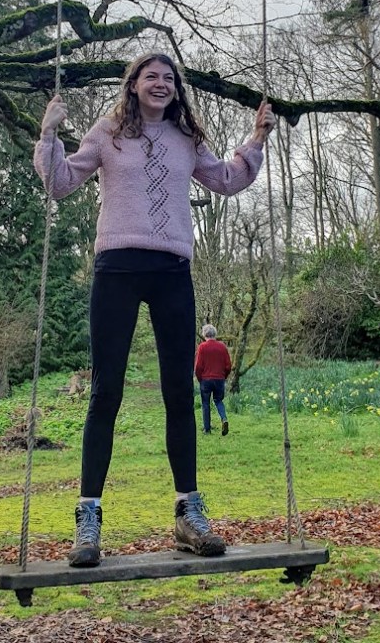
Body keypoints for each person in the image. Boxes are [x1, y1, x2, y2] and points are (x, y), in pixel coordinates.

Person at [34, 52, 276, 568]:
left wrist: (257, 139)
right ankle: (89, 519)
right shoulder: (107, 132)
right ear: (134, 84)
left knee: (177, 393)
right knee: (106, 391)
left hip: (171, 271)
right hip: (117, 267)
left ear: (176, 88)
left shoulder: (187, 138)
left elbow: (227, 179)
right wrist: (49, 134)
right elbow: (59, 183)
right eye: (152, 77)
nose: (161, 85)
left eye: (169, 79)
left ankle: (188, 513)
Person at [195, 324, 232, 436]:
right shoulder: (222, 347)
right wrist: (223, 376)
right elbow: (228, 366)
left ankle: (207, 429)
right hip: (219, 379)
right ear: (215, 334)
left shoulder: (202, 347)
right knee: (219, 400)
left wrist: (199, 378)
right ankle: (224, 418)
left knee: (205, 403)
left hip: (206, 380)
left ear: (204, 334)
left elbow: (198, 366)